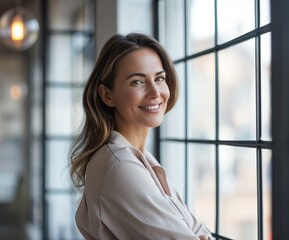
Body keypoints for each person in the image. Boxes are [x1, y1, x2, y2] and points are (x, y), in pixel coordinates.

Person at [70, 33, 213, 240]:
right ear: (107, 95)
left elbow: (198, 230)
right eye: (137, 81)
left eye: (160, 78)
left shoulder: (140, 158)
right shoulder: (119, 166)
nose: (155, 92)